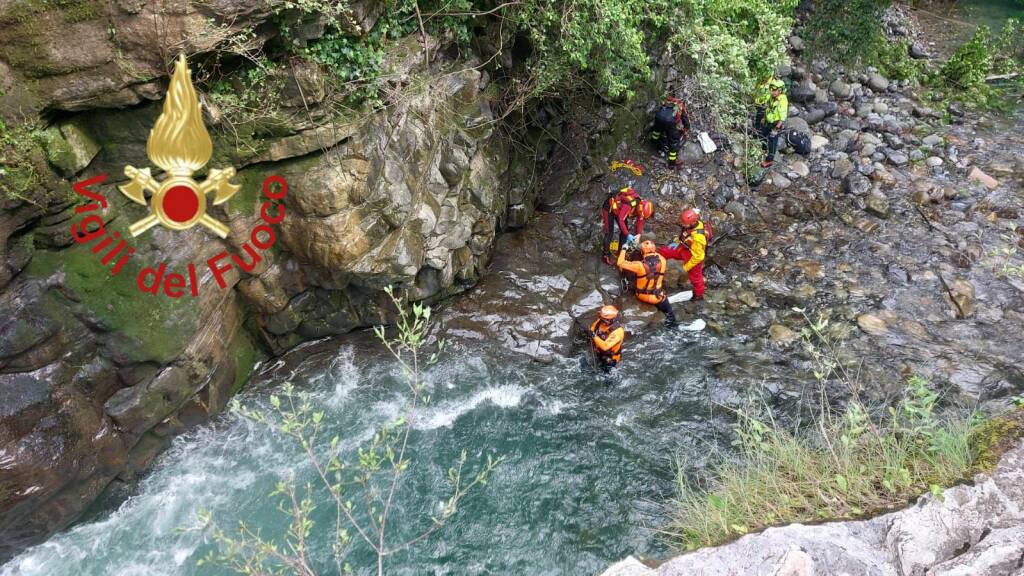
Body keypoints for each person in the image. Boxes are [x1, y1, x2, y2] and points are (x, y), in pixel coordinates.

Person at [617, 239, 677, 327]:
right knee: (669, 312)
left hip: (641, 296)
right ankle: (671, 323)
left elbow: (620, 263)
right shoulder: (663, 260)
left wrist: (624, 249)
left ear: (642, 251)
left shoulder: (639, 265)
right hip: (658, 297)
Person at [658, 208, 708, 301]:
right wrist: (677, 242)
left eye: (684, 223)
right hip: (683, 248)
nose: (682, 224)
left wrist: (686, 267)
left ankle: (699, 295)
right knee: (664, 251)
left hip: (693, 256)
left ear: (692, 222)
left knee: (696, 278)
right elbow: (684, 235)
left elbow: (698, 257)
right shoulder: (690, 226)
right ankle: (655, 265)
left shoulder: (698, 238)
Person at [601, 188, 653, 264]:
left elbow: (640, 220)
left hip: (620, 210)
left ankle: (621, 253)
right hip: (609, 207)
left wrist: (638, 234)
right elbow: (620, 219)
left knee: (624, 233)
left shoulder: (640, 206)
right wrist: (628, 234)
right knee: (609, 233)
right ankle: (605, 255)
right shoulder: (629, 204)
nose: (641, 215)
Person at [650, 96, 691, 167]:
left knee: (657, 130)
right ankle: (672, 163)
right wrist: (686, 128)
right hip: (670, 122)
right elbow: (685, 119)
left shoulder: (668, 101)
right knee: (674, 142)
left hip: (658, 117)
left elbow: (660, 109)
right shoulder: (681, 106)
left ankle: (653, 143)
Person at [755, 79, 788, 168]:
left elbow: (783, 115)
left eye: (774, 90)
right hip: (768, 120)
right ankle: (763, 150)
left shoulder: (782, 100)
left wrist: (777, 128)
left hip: (776, 123)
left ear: (780, 91)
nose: (772, 91)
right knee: (763, 135)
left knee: (772, 140)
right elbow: (768, 108)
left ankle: (769, 160)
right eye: (771, 89)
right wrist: (764, 118)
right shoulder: (771, 97)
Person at [591, 305, 625, 372]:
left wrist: (594, 336)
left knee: (607, 374)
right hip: (599, 353)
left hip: (610, 359)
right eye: (601, 318)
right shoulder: (599, 322)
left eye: (604, 319)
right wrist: (590, 333)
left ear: (612, 319)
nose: (601, 320)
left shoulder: (618, 331)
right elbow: (592, 328)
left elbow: (605, 346)